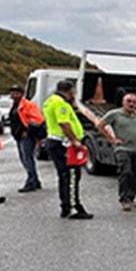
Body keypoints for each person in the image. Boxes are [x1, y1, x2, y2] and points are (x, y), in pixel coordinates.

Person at [42, 79, 92, 219]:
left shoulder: (50, 100)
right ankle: (74, 208)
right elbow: (64, 123)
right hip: (64, 144)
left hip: (55, 141)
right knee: (71, 176)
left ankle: (66, 206)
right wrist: (74, 140)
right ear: (70, 91)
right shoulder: (60, 103)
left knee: (63, 176)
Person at [96, 92, 136, 211]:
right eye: (129, 101)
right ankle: (124, 199)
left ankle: (131, 198)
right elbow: (100, 125)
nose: (131, 104)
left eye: (134, 102)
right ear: (123, 102)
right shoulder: (115, 114)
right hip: (122, 149)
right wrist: (112, 139)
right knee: (126, 172)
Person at [8, 85, 45, 192]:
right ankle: (35, 180)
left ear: (21, 93)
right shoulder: (15, 105)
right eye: (12, 92)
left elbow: (38, 119)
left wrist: (27, 130)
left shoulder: (28, 105)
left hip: (27, 137)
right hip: (18, 135)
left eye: (16, 92)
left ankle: (31, 181)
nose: (14, 95)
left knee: (27, 159)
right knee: (24, 159)